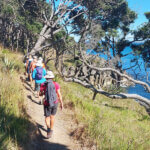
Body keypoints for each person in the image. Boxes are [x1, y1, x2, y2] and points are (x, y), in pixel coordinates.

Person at [42, 71, 63, 139]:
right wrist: (61, 103)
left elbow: (40, 93)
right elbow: (59, 94)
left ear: (46, 78)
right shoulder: (56, 84)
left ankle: (48, 129)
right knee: (52, 117)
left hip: (47, 103)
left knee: (47, 118)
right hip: (55, 102)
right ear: (52, 78)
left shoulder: (43, 84)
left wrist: (42, 94)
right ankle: (51, 129)